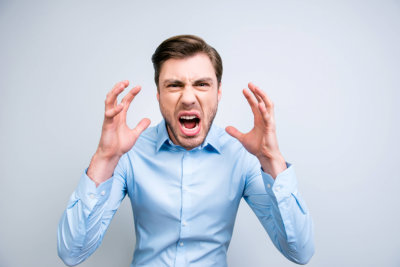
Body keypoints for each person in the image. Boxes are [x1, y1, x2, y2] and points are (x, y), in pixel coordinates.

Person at [57, 35, 314, 267]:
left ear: (218, 92)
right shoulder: (130, 153)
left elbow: (300, 252)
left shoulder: (241, 155)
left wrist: (271, 161)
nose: (189, 98)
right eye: (174, 85)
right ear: (158, 94)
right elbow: (72, 253)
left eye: (202, 84)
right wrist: (105, 158)